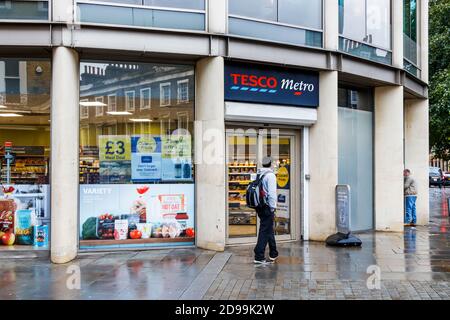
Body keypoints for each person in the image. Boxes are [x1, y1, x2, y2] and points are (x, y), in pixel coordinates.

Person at [254, 156, 279, 264]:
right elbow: (272, 194)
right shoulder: (270, 176)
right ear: (271, 164)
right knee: (264, 230)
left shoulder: (259, 174)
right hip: (267, 206)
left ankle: (273, 253)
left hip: (259, 206)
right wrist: (273, 208)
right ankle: (258, 255)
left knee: (268, 228)